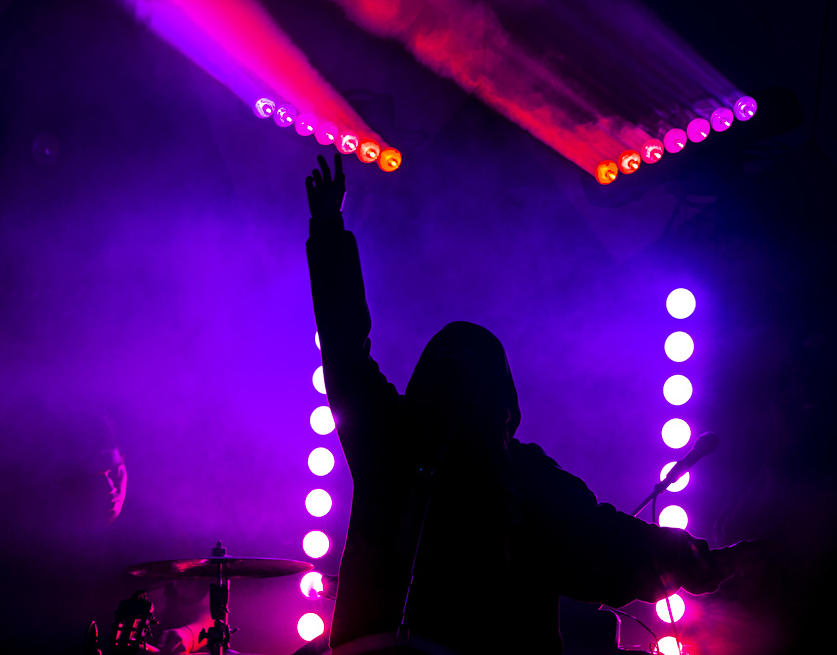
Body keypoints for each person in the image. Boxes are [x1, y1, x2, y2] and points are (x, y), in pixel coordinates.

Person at [305, 154, 756, 655]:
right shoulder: (518, 477)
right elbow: (610, 543)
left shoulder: (389, 445)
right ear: (504, 403)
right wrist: (711, 564)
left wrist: (328, 231)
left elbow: (345, 350)